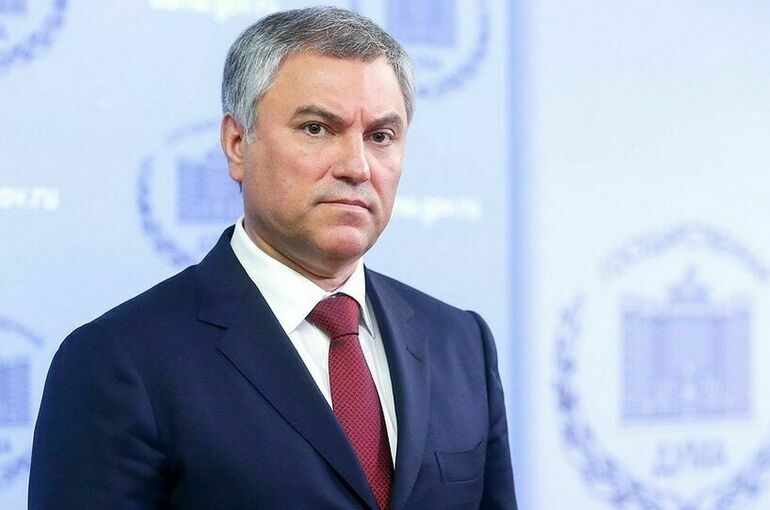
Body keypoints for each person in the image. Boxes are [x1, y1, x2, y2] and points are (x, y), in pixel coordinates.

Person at [28, 7, 517, 509]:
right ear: (237, 144)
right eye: (316, 129)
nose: (357, 166)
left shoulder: (462, 344)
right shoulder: (118, 361)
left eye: (380, 136)